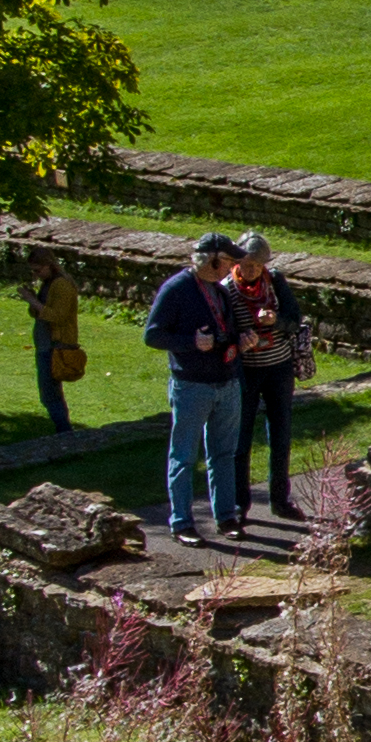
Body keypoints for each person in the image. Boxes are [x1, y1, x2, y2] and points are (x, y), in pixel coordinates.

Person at [142, 231, 246, 540]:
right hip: (192, 385)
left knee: (224, 454)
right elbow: (152, 336)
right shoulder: (176, 289)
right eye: (228, 262)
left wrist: (244, 340)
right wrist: (191, 343)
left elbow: (230, 331)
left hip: (226, 382)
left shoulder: (221, 291)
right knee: (184, 456)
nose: (231, 269)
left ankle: (226, 518)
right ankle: (182, 523)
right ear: (213, 261)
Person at [231, 227, 309, 525]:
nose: (250, 270)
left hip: (278, 369)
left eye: (256, 265)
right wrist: (241, 338)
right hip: (247, 372)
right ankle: (240, 504)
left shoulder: (275, 282)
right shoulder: (228, 289)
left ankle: (280, 499)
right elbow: (225, 330)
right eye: (245, 264)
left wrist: (276, 320)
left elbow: (295, 320)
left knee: (281, 435)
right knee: (242, 440)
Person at [29, 250, 86, 440]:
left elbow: (57, 316)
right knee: (50, 393)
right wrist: (34, 302)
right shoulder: (49, 283)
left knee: (50, 394)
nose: (35, 275)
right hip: (47, 344)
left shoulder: (61, 285)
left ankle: (64, 433)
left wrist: (31, 301)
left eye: (38, 270)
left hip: (55, 346)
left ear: (49, 265)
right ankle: (63, 432)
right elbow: (40, 312)